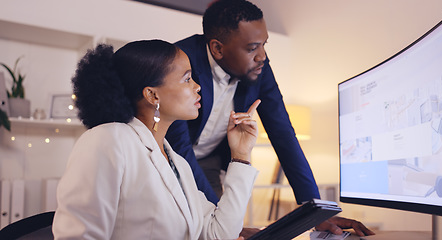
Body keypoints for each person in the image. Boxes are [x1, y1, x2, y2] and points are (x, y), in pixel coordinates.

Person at [165, 0, 375, 237]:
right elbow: (178, 146)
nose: (262, 57)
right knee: (195, 228)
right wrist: (221, 223)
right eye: (252, 48)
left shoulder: (260, 67)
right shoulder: (179, 62)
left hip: (210, 160)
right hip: (169, 155)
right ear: (217, 48)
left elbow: (283, 132)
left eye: (264, 45)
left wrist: (315, 210)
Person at [52, 40, 261, 239]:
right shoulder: (108, 139)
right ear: (152, 95)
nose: (197, 87)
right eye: (187, 79)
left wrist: (240, 154)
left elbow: (219, 234)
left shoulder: (178, 164)